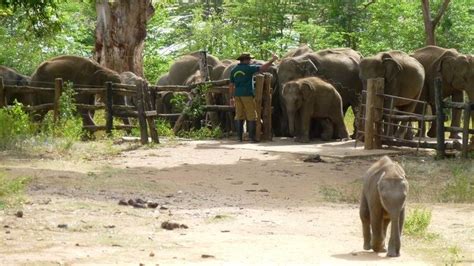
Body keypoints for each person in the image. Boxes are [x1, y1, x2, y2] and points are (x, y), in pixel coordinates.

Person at [229, 52, 278, 142]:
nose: (250, 61)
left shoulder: (234, 70)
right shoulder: (249, 68)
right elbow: (263, 68)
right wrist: (272, 60)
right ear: (246, 60)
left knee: (239, 115)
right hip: (247, 94)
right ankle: (252, 137)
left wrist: (231, 98)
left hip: (237, 95)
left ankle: (239, 138)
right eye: (249, 59)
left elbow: (231, 85)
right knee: (252, 115)